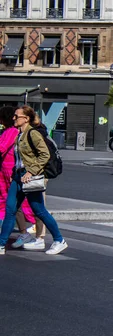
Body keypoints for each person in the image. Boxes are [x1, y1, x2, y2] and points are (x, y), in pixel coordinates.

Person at [0, 105, 68, 255]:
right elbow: (19, 158)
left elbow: (45, 155)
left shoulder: (33, 134)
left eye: (16, 116)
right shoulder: (19, 135)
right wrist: (14, 172)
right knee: (10, 210)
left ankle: (59, 240)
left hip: (30, 177)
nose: (13, 118)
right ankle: (1, 244)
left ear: (26, 118)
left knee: (39, 211)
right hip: (18, 177)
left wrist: (31, 171)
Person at [0, 106, 39, 248]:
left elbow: (2, 148)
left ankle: (29, 230)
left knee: (15, 205)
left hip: (12, 172)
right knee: (10, 204)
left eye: (17, 116)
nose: (14, 118)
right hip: (8, 171)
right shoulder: (11, 132)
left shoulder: (12, 132)